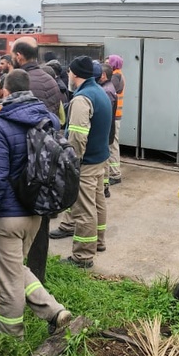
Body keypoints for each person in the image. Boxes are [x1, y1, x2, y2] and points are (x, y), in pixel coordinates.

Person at [0, 69, 72, 339]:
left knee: (9, 285)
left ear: (4, 91)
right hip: (35, 213)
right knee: (15, 269)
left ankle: (10, 338)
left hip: (5, 217)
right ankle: (54, 311)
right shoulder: (48, 120)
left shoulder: (0, 124)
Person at [10, 37, 65, 282]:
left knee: (15, 217)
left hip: (24, 157)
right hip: (46, 158)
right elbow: (57, 116)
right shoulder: (50, 79)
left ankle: (14, 275)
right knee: (41, 220)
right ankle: (37, 275)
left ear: (19, 56)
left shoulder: (21, 81)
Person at [50, 56, 112, 268]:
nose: (68, 75)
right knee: (98, 201)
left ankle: (83, 256)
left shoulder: (82, 99)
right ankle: (99, 242)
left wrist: (72, 162)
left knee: (84, 209)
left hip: (86, 162)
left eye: (69, 72)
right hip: (100, 159)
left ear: (74, 74)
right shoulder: (99, 92)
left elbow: (77, 136)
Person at [99, 63, 119, 198]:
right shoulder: (109, 87)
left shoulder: (106, 91)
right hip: (108, 130)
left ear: (103, 75)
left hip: (106, 131)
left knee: (104, 161)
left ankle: (104, 187)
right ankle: (105, 186)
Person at [106, 54, 125, 185]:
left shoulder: (115, 77)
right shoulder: (118, 75)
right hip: (115, 115)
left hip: (114, 115)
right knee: (112, 144)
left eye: (109, 63)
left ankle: (115, 174)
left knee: (112, 144)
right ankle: (113, 172)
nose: (106, 65)